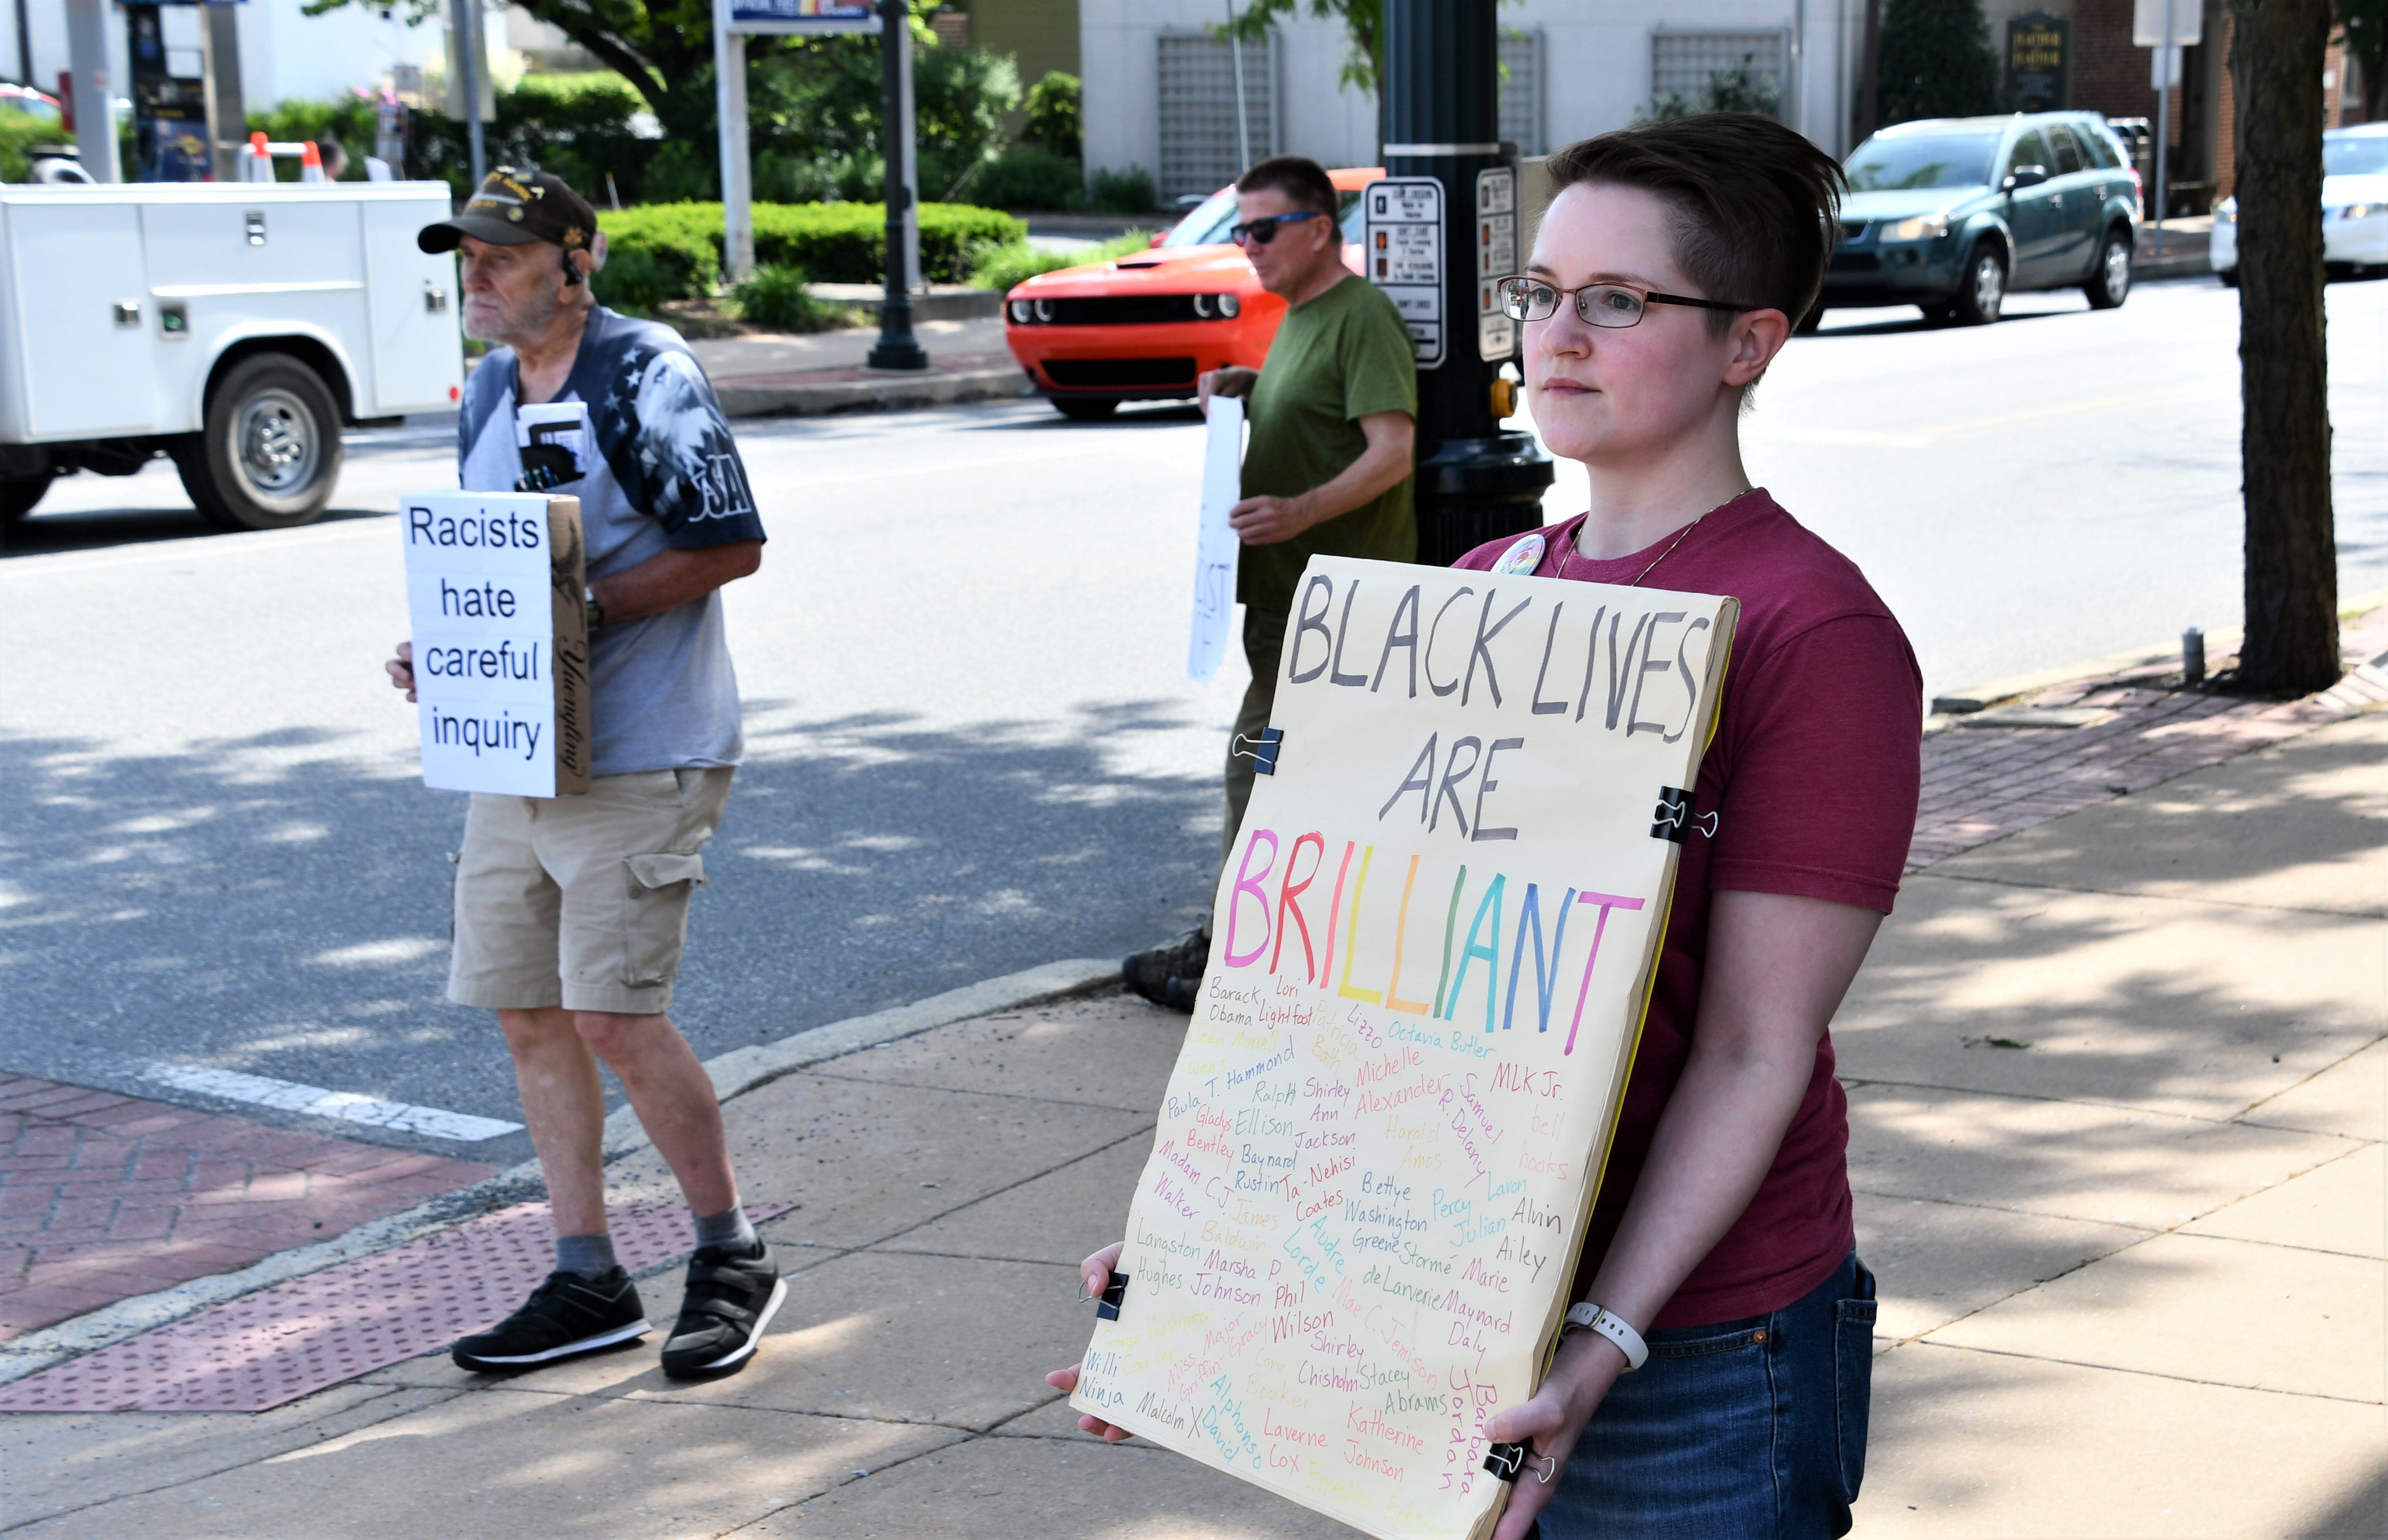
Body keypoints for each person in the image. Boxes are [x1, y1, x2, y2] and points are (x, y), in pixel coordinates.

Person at [1054, 115, 1920, 1539]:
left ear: (1747, 345)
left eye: (1618, 301)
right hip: (1446, 1304)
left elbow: (1755, 1051)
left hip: (1695, 1352)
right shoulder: (1477, 590)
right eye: (1540, 292)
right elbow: (1348, 996)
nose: (1557, 335)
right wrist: (1210, 1258)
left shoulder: (1810, 631)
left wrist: (1599, 1352)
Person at [385, 168, 783, 1380]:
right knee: (527, 1008)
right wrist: (453, 646)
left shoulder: (644, 372)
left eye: (502, 256)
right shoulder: (491, 386)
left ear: (576, 260)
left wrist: (575, 611)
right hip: (518, 746)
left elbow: (732, 545)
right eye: (468, 256)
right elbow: (499, 554)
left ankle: (731, 1252)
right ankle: (585, 1275)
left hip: (645, 742)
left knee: (614, 1012)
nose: (480, 275)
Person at [1121, 154, 1417, 1011]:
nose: (1245, 243)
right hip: (1288, 600)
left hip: (1334, 606)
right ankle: (1279, 950)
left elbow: (1390, 448)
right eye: (1240, 227)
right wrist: (1252, 389)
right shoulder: (1301, 316)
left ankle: (1232, 957)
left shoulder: (1360, 315)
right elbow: (1324, 414)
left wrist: (1300, 513)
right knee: (1299, 779)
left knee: (1260, 769)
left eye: (1261, 228)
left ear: (1320, 229)